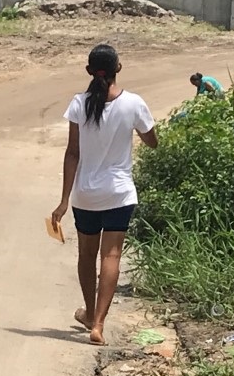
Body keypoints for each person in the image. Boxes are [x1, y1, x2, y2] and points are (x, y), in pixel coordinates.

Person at [52, 44, 158, 346]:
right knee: (111, 256)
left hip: (85, 194)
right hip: (120, 194)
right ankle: (98, 323)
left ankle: (88, 313)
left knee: (86, 254)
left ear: (88, 71)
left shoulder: (79, 104)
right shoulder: (134, 103)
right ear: (118, 69)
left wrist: (63, 201)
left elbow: (72, 153)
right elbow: (152, 142)